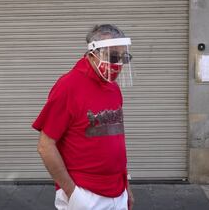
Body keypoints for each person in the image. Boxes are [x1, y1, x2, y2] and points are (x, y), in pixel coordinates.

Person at [32, 24, 134, 210]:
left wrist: (127, 186)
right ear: (93, 53)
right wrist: (72, 193)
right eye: (113, 57)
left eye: (123, 57)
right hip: (85, 193)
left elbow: (116, 140)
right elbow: (45, 146)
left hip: (118, 190)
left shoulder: (113, 87)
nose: (118, 64)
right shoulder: (69, 86)